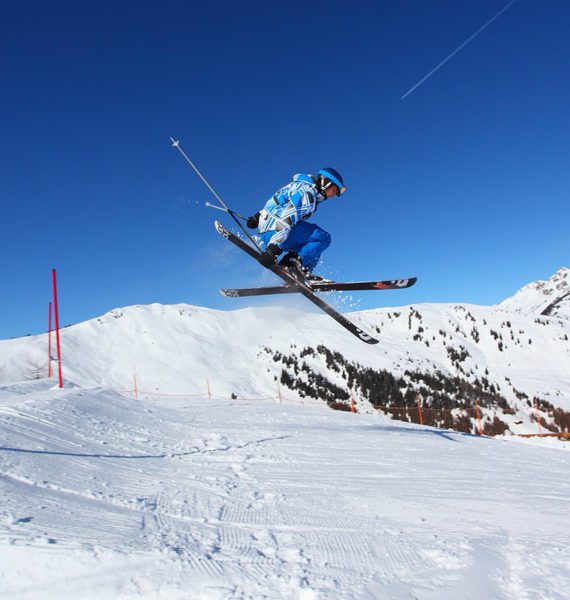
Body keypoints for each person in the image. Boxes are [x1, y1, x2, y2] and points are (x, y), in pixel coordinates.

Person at [246, 168, 346, 283]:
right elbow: (289, 216)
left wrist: (258, 216)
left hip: (269, 231)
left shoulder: (299, 186)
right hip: (277, 233)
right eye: (333, 190)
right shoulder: (308, 193)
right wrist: (274, 248)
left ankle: (301, 272)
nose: (332, 195)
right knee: (323, 238)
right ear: (325, 183)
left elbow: (275, 202)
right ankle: (293, 266)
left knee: (314, 250)